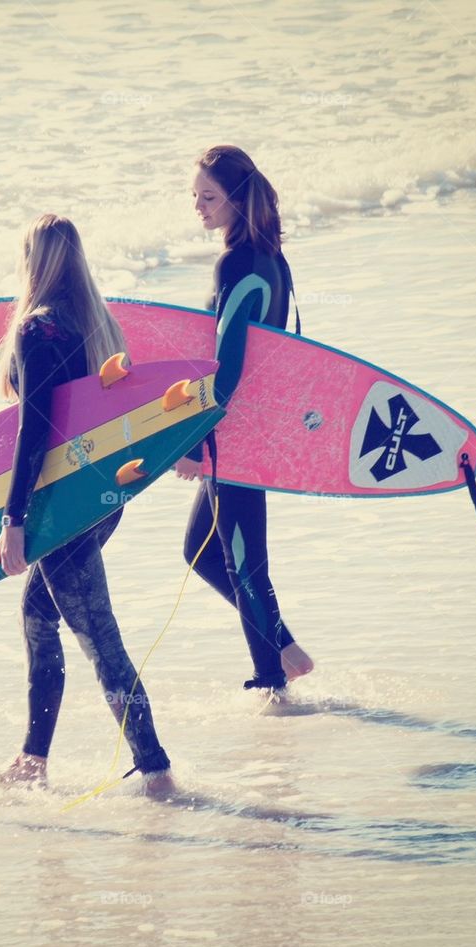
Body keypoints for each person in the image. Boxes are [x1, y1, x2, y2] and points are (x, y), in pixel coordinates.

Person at [0, 213, 175, 797]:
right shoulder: (100, 326)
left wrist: (13, 519)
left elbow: (32, 429)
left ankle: (157, 768)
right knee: (39, 617)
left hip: (62, 508)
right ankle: (33, 762)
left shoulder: (39, 331)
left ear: (34, 263)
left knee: (100, 641)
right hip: (102, 495)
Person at [174, 145, 314, 701]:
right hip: (250, 427)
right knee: (205, 552)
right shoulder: (272, 261)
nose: (200, 208)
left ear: (235, 197)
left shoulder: (238, 265)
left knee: (243, 563)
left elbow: (226, 371)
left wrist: (194, 442)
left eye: (209, 197)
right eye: (195, 198)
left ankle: (273, 687)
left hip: (234, 433)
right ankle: (283, 650)